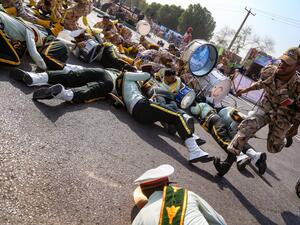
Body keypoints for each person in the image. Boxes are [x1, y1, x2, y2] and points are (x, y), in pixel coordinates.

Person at [117, 70, 213, 163]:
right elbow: (146, 75)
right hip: (142, 106)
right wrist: (141, 71)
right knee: (177, 116)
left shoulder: (123, 86)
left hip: (138, 114)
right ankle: (194, 150)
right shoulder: (126, 75)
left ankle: (189, 136)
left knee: (169, 114)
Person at [227, 47, 300, 159]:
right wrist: (244, 90)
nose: (282, 64)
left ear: (297, 67)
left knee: (273, 148)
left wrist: (295, 127)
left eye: (288, 64)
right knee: (247, 127)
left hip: (283, 117)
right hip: (266, 108)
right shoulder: (270, 72)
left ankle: (284, 140)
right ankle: (228, 161)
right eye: (282, 61)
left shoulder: (298, 85)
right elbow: (261, 84)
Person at [132, 164, 227, 225]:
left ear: (144, 193)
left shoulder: (139, 218)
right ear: (166, 186)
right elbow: (220, 222)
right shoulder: (187, 196)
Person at [190, 102, 267, 176]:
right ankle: (255, 155)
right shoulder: (218, 107)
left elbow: (195, 109)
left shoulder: (204, 105)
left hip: (220, 120)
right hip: (230, 121)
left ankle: (240, 156)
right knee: (237, 138)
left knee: (223, 139)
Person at [0, 10, 67, 70]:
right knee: (15, 60)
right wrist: (44, 68)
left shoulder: (26, 25)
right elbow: (34, 54)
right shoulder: (32, 33)